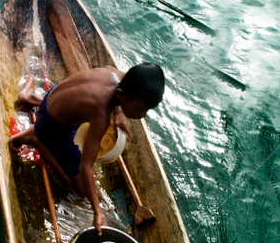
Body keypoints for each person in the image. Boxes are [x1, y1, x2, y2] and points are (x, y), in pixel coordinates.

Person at [9, 64, 164, 234]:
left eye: (147, 111)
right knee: (81, 190)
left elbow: (111, 82)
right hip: (53, 127)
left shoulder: (117, 75)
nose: (142, 116)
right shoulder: (101, 115)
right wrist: (97, 210)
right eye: (138, 109)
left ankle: (30, 97)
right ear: (121, 95)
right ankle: (35, 138)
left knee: (78, 107)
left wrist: (117, 115)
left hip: (52, 97)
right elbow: (85, 166)